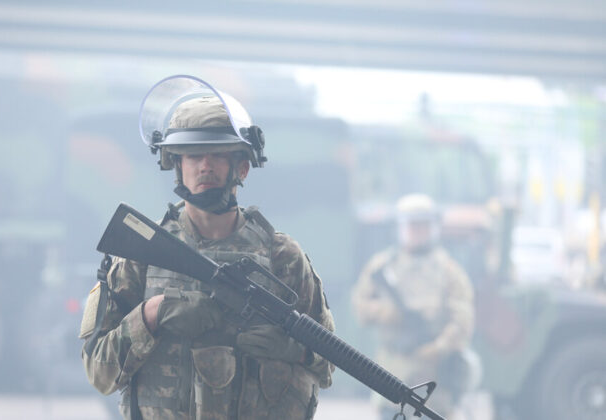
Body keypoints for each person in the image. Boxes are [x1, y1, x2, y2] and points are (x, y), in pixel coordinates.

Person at [80, 75, 334, 420]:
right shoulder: (141, 255)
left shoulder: (282, 257)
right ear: (175, 165)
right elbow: (99, 371)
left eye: (218, 155)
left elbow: (328, 362)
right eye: (193, 155)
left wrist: (296, 349)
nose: (205, 165)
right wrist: (153, 313)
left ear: (241, 166)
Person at [352, 193, 475, 419]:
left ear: (433, 227)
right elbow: (361, 307)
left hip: (432, 378)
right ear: (401, 227)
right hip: (391, 371)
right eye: (411, 225)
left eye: (423, 225)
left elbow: (462, 319)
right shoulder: (382, 266)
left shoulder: (449, 271)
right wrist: (383, 312)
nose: (417, 231)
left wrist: (440, 347)